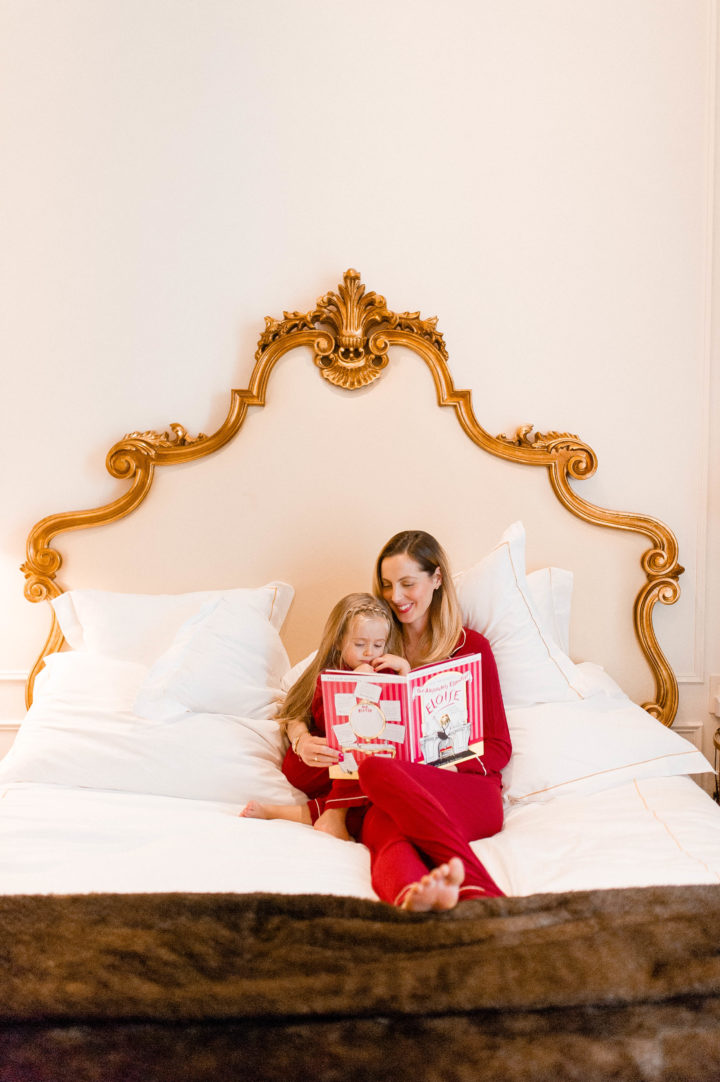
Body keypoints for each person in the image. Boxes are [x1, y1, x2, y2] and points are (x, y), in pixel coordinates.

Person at [274, 530, 512, 913]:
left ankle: (478, 889)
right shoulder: (371, 640)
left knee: (378, 772)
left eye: (407, 583)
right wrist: (300, 737)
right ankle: (410, 897)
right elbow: (297, 706)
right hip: (385, 792)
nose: (395, 597)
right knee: (384, 821)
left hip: (464, 789)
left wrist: (427, 763)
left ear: (436, 580)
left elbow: (499, 749)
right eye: (387, 585)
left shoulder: (470, 647)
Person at [241, 592, 408, 840]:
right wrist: (355, 685)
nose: (369, 653)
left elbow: (401, 721)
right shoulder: (325, 675)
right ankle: (335, 814)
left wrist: (404, 672)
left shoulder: (387, 672)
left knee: (368, 807)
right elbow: (304, 713)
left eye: (378, 645)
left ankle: (285, 812)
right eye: (360, 644)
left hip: (347, 777)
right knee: (366, 756)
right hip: (317, 761)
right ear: (340, 641)